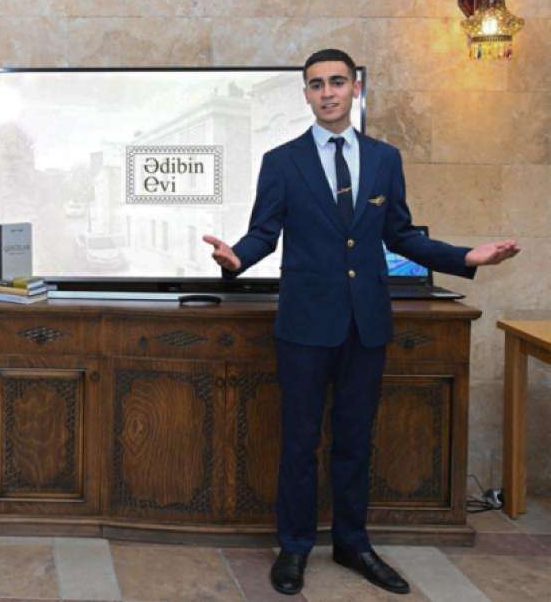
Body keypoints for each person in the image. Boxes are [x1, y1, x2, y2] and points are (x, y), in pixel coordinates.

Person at [203, 49, 518, 596]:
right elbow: (263, 233)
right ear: (305, 94)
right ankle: (294, 547)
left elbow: (401, 235)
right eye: (316, 84)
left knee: (355, 442)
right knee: (300, 443)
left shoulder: (383, 159)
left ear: (355, 89)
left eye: (336, 82)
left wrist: (466, 257)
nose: (327, 92)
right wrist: (237, 259)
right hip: (304, 326)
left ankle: (352, 543)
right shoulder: (282, 161)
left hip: (366, 325)